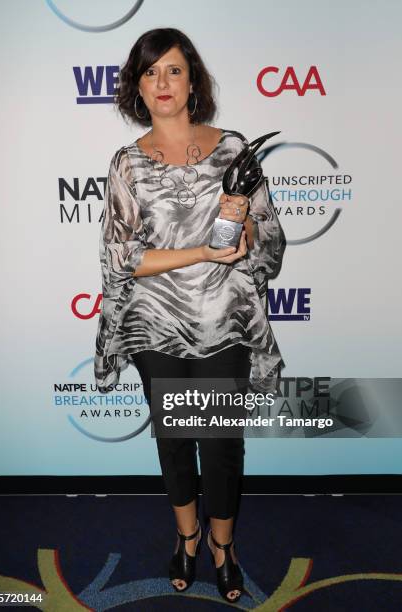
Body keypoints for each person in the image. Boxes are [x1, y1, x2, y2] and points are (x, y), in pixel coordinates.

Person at [94, 27, 285, 603]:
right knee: (176, 440)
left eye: (173, 70)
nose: (162, 83)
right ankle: (187, 538)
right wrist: (202, 250)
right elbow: (120, 257)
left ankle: (223, 546)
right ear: (137, 87)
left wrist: (248, 234)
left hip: (225, 319)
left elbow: (271, 238)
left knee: (222, 441)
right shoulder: (126, 164)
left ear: (193, 79)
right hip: (155, 323)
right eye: (150, 73)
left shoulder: (233, 149)